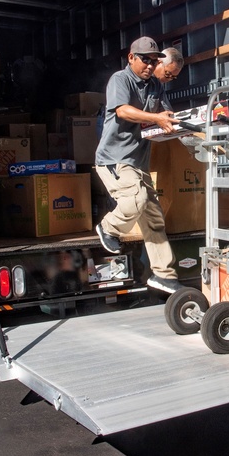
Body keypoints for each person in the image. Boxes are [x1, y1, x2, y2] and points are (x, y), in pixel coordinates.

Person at [93, 37, 182, 294]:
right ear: (131, 57)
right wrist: (155, 117)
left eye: (154, 61)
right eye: (145, 59)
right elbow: (123, 111)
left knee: (154, 219)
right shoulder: (120, 80)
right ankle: (108, 227)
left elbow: (166, 114)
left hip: (138, 163)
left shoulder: (155, 85)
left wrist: (187, 124)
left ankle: (163, 275)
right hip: (114, 159)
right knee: (137, 199)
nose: (149, 65)